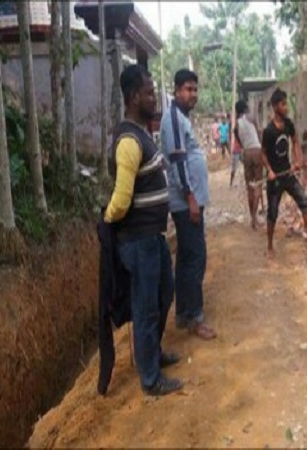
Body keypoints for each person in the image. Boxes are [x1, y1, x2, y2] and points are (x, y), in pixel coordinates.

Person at [104, 64, 182, 396]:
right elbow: (122, 199)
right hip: (139, 240)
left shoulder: (141, 133)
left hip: (152, 237)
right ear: (134, 97)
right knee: (147, 305)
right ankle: (150, 379)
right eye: (150, 93)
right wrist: (108, 219)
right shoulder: (128, 141)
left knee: (164, 293)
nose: (154, 98)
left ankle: (152, 354)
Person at [160, 68, 217, 340]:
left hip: (189, 201)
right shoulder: (173, 118)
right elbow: (178, 162)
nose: (193, 94)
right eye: (188, 89)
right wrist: (191, 198)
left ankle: (184, 313)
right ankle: (194, 317)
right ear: (176, 90)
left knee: (186, 256)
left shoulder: (181, 117)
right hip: (185, 202)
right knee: (195, 257)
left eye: (195, 89)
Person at [261, 88, 307, 258]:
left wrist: (297, 160)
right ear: (275, 107)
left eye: (286, 104)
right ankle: (269, 246)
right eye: (283, 104)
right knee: (272, 212)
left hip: (288, 175)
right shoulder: (269, 131)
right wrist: (269, 170)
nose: (286, 107)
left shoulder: (288, 124)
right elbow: (263, 154)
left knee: (303, 201)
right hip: (275, 179)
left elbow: (295, 141)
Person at [235, 100, 264, 229]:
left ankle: (252, 217)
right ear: (246, 109)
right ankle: (254, 219)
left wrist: (244, 147)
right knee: (257, 185)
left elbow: (238, 139)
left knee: (250, 187)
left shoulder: (236, 125)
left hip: (246, 153)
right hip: (257, 150)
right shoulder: (251, 118)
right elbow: (259, 134)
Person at [230, 121, 243, 188]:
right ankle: (232, 183)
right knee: (235, 168)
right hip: (237, 151)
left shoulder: (238, 133)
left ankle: (232, 183)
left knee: (236, 168)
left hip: (239, 151)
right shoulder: (237, 133)